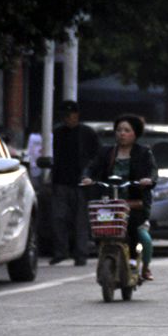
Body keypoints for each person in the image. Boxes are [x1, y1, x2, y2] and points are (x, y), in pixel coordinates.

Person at [81, 114, 157, 280]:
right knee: (100, 227)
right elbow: (91, 167)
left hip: (135, 203)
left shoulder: (144, 153)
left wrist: (148, 180)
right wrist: (87, 178)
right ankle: (105, 253)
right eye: (119, 130)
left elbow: (152, 171)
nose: (122, 133)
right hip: (109, 202)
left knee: (137, 231)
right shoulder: (106, 152)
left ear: (135, 134)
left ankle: (139, 263)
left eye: (126, 130)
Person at [50, 101, 100, 266]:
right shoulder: (58, 133)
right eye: (64, 115)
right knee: (59, 218)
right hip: (61, 181)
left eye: (69, 115)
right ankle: (61, 251)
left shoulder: (87, 133)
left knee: (80, 221)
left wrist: (90, 174)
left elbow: (96, 156)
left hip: (80, 183)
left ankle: (80, 254)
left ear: (76, 115)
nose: (67, 118)